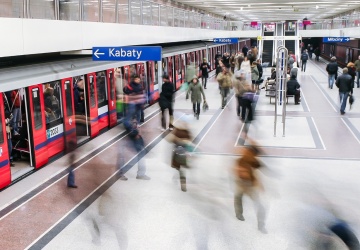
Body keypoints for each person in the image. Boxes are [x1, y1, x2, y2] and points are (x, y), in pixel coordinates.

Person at [233, 143, 267, 233]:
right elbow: (241, 172)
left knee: (239, 198)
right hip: (245, 184)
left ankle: (260, 225)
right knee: (238, 198)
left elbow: (259, 166)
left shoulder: (249, 160)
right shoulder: (243, 160)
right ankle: (239, 215)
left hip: (248, 185)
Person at [168, 119, 193, 192]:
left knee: (181, 169)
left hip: (183, 154)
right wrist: (180, 140)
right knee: (180, 169)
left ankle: (182, 183)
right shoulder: (176, 131)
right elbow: (170, 140)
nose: (184, 124)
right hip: (177, 153)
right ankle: (181, 183)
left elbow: (190, 140)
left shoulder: (187, 131)